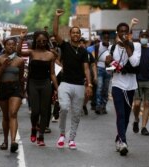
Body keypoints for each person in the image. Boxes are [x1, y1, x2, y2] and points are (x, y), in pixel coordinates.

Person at [53, 9, 92, 149]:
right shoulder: (65, 46)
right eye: (73, 32)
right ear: (70, 35)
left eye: (78, 32)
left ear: (80, 36)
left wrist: (90, 84)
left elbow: (86, 68)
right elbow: (55, 33)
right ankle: (62, 134)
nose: (75, 34)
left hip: (79, 85)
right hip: (65, 83)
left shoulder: (83, 51)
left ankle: (72, 139)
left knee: (76, 113)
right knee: (63, 108)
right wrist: (56, 17)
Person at [18, 30, 58, 146]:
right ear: (35, 41)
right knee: (35, 111)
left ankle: (41, 136)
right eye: (39, 41)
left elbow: (52, 73)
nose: (42, 43)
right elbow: (18, 52)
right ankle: (34, 127)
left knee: (45, 111)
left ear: (47, 41)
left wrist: (57, 88)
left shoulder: (51, 55)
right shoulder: (31, 52)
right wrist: (21, 38)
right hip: (33, 83)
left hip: (46, 83)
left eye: (44, 41)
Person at [111, 22, 141, 156]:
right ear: (117, 33)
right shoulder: (113, 48)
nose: (123, 33)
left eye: (126, 31)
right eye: (121, 31)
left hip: (131, 85)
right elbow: (111, 64)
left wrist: (127, 45)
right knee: (120, 114)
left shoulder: (137, 46)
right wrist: (109, 63)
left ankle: (118, 137)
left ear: (129, 33)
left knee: (127, 116)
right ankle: (123, 142)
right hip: (117, 84)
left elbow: (134, 62)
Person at [0, 38, 24, 153]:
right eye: (8, 45)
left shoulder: (20, 61)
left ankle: (13, 141)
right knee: (6, 116)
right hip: (2, 88)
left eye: (13, 45)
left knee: (13, 113)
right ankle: (5, 140)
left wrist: (23, 92)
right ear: (4, 46)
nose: (11, 46)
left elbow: (21, 77)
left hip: (15, 88)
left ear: (15, 46)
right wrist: (3, 67)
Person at [132, 29, 149, 136]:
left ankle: (144, 127)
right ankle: (136, 119)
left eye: (146, 36)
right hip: (136, 79)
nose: (144, 38)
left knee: (147, 103)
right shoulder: (135, 49)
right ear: (139, 37)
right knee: (137, 104)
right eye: (142, 36)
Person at [79, 37, 97, 115]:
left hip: (87, 76)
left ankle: (83, 105)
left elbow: (93, 65)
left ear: (85, 44)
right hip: (77, 76)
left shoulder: (89, 54)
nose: (81, 44)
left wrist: (95, 76)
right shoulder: (75, 53)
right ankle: (78, 106)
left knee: (87, 93)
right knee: (78, 94)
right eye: (80, 43)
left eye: (83, 43)